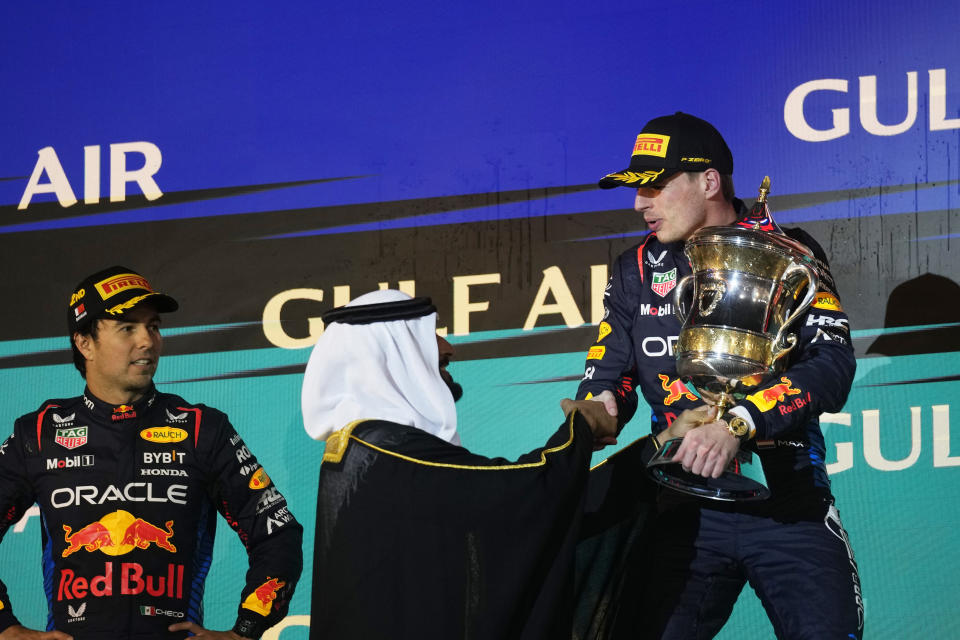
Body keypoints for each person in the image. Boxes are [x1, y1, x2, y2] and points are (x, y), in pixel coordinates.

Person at [576, 113, 863, 639]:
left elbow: (832, 365)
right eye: (638, 190)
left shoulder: (788, 251)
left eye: (655, 187)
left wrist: (738, 424)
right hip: (681, 510)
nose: (640, 204)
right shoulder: (633, 270)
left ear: (708, 182)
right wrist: (595, 409)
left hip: (788, 502)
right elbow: (609, 373)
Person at [300, 289, 644, 639]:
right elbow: (515, 496)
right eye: (428, 331)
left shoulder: (367, 449)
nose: (448, 347)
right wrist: (581, 428)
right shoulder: (388, 452)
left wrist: (652, 451)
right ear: (389, 351)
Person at [0, 266, 303, 640]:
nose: (148, 340)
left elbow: (277, 531)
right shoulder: (39, 433)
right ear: (84, 343)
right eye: (127, 327)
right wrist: (6, 629)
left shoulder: (201, 429)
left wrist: (245, 629)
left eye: (153, 326)